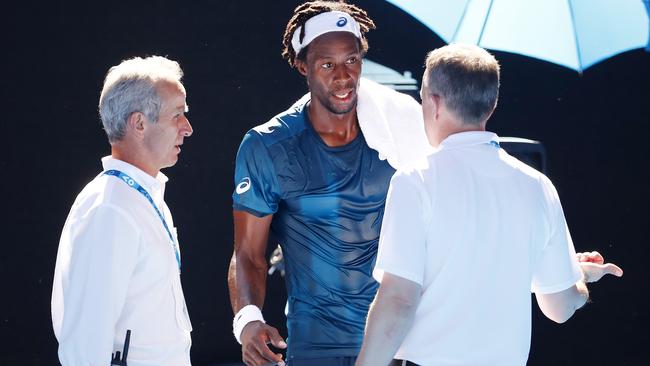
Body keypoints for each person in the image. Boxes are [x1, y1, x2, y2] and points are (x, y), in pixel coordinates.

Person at [355, 44, 624, 366]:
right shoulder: (537, 186)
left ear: (434, 103)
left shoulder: (416, 180)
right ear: (491, 104)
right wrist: (578, 275)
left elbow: (398, 300)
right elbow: (560, 307)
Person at [228, 1, 431, 365]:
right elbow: (248, 254)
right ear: (301, 65)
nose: (343, 76)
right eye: (327, 65)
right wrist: (247, 320)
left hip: (396, 347)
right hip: (312, 352)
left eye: (352, 60)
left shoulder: (403, 133)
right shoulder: (267, 146)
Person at [51, 56, 194, 366]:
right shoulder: (111, 209)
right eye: (177, 115)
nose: (188, 128)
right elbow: (84, 347)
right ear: (139, 123)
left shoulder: (138, 197)